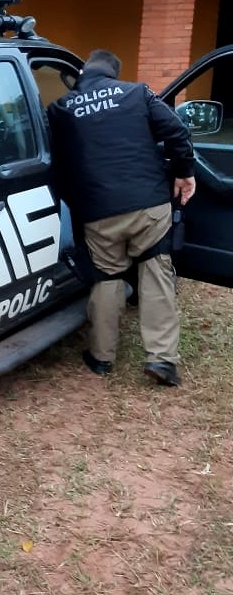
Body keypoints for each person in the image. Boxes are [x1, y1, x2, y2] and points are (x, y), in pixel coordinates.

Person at [47, 49, 196, 387]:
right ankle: (162, 360)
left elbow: (52, 159)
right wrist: (184, 171)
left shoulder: (59, 109)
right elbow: (176, 131)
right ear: (113, 74)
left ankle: (101, 358)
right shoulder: (136, 93)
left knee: (107, 277)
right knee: (156, 272)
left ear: (82, 72)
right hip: (148, 205)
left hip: (98, 212)